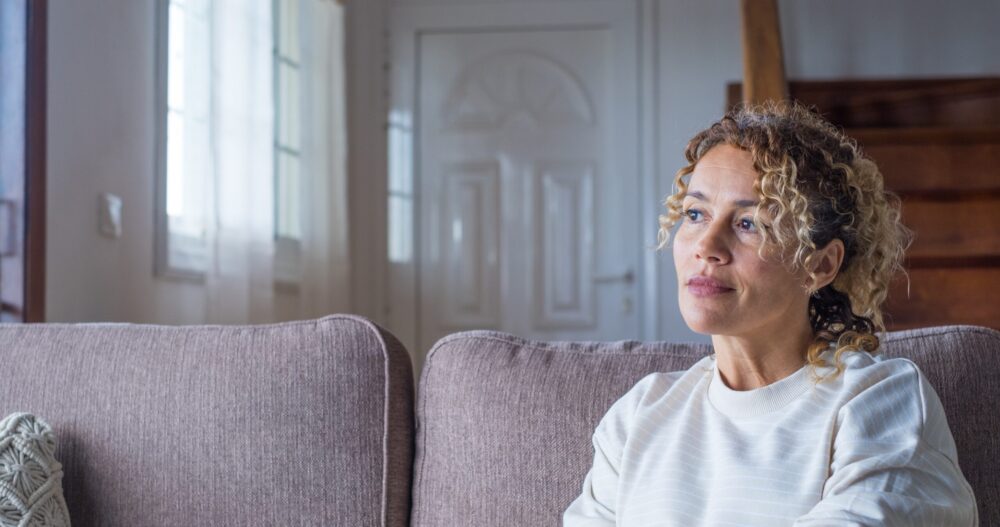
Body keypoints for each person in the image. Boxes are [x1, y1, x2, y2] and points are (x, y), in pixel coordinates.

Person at [562, 102, 978, 526]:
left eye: (749, 224)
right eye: (694, 214)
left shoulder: (877, 399)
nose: (706, 245)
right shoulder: (639, 415)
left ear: (820, 265)